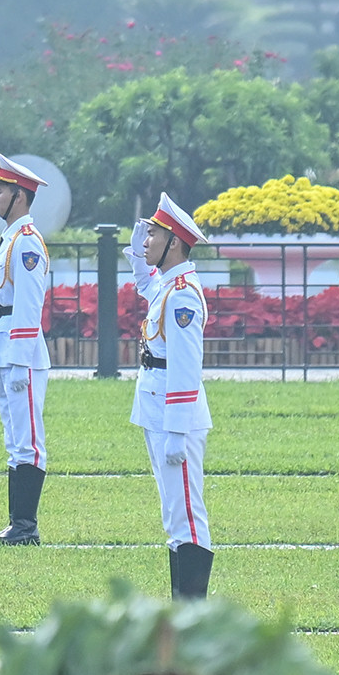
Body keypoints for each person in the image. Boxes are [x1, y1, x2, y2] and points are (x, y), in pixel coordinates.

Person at [129, 193, 213, 599]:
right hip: (157, 407)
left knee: (187, 517)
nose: (146, 239)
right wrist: (135, 252)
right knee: (173, 514)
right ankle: (183, 608)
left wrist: (177, 430)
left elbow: (185, 365)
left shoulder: (182, 294)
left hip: (172, 413)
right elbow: (147, 286)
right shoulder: (168, 285)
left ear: (174, 242)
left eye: (153, 234)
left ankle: (193, 613)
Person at [0, 155, 51, 547]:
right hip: (4, 343)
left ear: (20, 197)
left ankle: (26, 526)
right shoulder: (12, 238)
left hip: (19, 350)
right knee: (13, 437)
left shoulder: (27, 243)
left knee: (27, 439)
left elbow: (28, 303)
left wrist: (20, 358)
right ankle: (16, 524)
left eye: (2, 190)